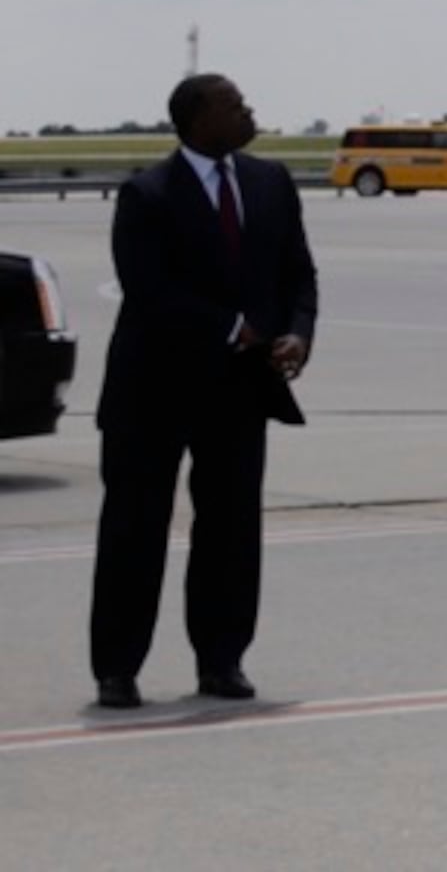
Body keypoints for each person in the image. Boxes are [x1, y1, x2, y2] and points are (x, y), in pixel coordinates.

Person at [87, 72, 317, 712]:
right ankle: (116, 668)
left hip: (239, 391)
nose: (248, 113)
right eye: (235, 105)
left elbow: (298, 272)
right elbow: (147, 289)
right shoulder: (147, 194)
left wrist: (297, 333)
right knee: (136, 530)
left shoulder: (270, 182)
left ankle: (222, 660)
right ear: (197, 119)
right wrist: (233, 326)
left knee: (231, 530)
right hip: (152, 391)